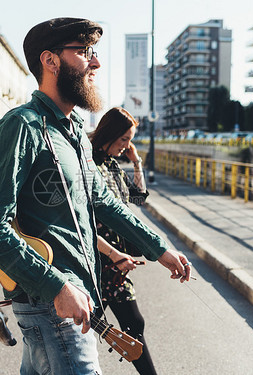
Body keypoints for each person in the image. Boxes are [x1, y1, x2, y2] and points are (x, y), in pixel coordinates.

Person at [0, 17, 192, 375]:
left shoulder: (71, 130)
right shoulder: (20, 127)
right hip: (53, 303)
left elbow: (103, 201)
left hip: (67, 300)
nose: (96, 62)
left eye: (94, 52)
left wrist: (158, 247)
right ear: (51, 61)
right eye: (84, 52)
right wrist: (57, 286)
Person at [90, 107, 157, 375]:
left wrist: (136, 162)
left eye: (130, 140)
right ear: (109, 134)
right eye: (123, 140)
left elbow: (138, 198)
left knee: (132, 324)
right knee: (75, 330)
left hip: (115, 265)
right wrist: (112, 253)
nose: (126, 146)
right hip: (96, 261)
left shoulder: (112, 164)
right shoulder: (89, 164)